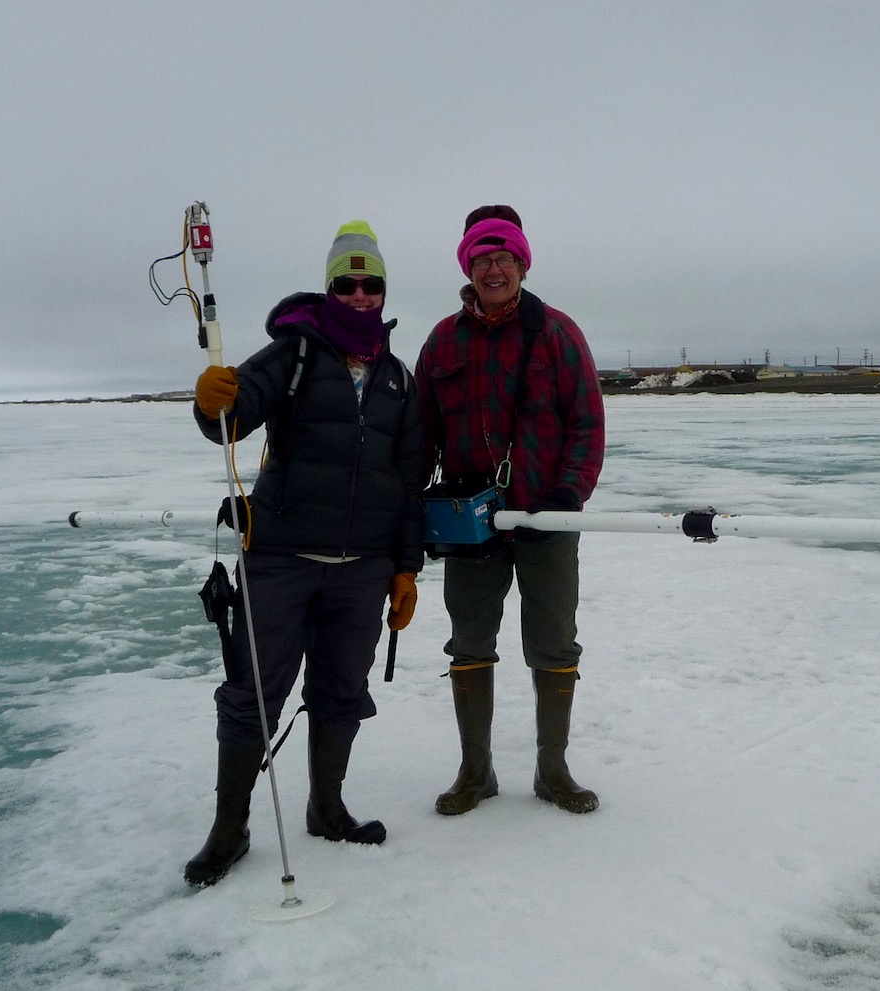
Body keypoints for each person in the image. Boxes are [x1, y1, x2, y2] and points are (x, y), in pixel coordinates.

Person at [182, 220, 424, 887]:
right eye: (346, 284)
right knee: (253, 694)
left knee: (342, 691)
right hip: (282, 559)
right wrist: (209, 404)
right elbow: (232, 416)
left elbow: (408, 485)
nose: (358, 295)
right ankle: (229, 829)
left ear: (383, 292)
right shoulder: (293, 354)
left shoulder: (399, 380)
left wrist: (406, 568)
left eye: (369, 285)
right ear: (329, 289)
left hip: (363, 570)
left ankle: (327, 808)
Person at [414, 205, 605, 817]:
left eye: (503, 258)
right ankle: (476, 771)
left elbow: (587, 423)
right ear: (468, 268)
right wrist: (411, 502)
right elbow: (420, 433)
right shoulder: (443, 340)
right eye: (482, 260)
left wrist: (567, 496)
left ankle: (553, 769)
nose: (493, 270)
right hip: (470, 522)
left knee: (554, 641)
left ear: (522, 264)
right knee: (469, 638)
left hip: (547, 516)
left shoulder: (557, 333)